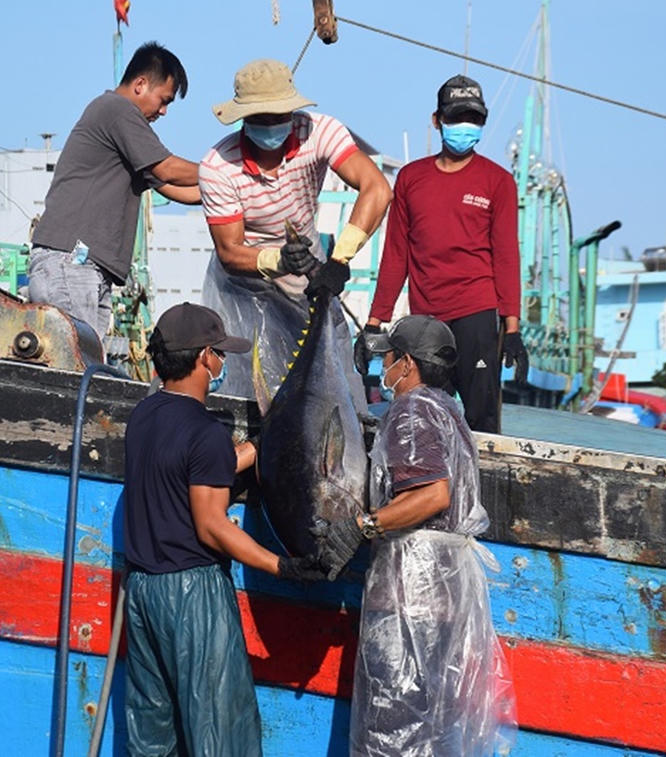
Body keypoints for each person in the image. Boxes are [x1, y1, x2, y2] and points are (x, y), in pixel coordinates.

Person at [122, 302, 327, 757]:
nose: (222, 364)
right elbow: (212, 526)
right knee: (219, 733)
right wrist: (282, 566)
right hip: (192, 596)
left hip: (141, 591)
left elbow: (199, 467)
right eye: (220, 354)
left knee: (152, 735)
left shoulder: (144, 416)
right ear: (203, 358)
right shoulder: (204, 431)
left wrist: (260, 444)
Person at [314, 315, 517, 756]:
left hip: (412, 596)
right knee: (432, 731)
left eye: (387, 357)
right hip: (445, 596)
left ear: (406, 363)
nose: (382, 366)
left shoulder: (411, 410)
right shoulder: (450, 412)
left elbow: (432, 495)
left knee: (391, 731)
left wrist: (364, 525)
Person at [199, 59, 392, 401]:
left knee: (332, 383)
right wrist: (279, 259)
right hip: (245, 283)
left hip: (308, 271)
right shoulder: (218, 166)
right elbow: (229, 251)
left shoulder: (320, 132)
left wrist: (340, 259)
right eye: (261, 119)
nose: (271, 126)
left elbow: (377, 189)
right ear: (243, 118)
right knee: (252, 387)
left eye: (279, 117)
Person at [359, 74, 528, 434]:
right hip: (426, 321)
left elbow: (506, 256)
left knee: (482, 420)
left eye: (474, 119)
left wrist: (511, 327)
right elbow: (395, 255)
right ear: (437, 121)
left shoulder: (498, 181)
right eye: (455, 118)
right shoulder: (410, 178)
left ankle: (480, 489)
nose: (464, 127)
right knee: (422, 418)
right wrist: (375, 322)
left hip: (477, 313)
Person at [29, 42, 202, 340]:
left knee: (86, 368)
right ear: (140, 84)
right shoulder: (117, 110)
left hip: (86, 268)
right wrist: (225, 171)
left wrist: (235, 191)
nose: (163, 111)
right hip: (71, 262)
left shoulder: (125, 128)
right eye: (164, 100)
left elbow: (178, 190)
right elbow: (167, 169)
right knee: (73, 369)